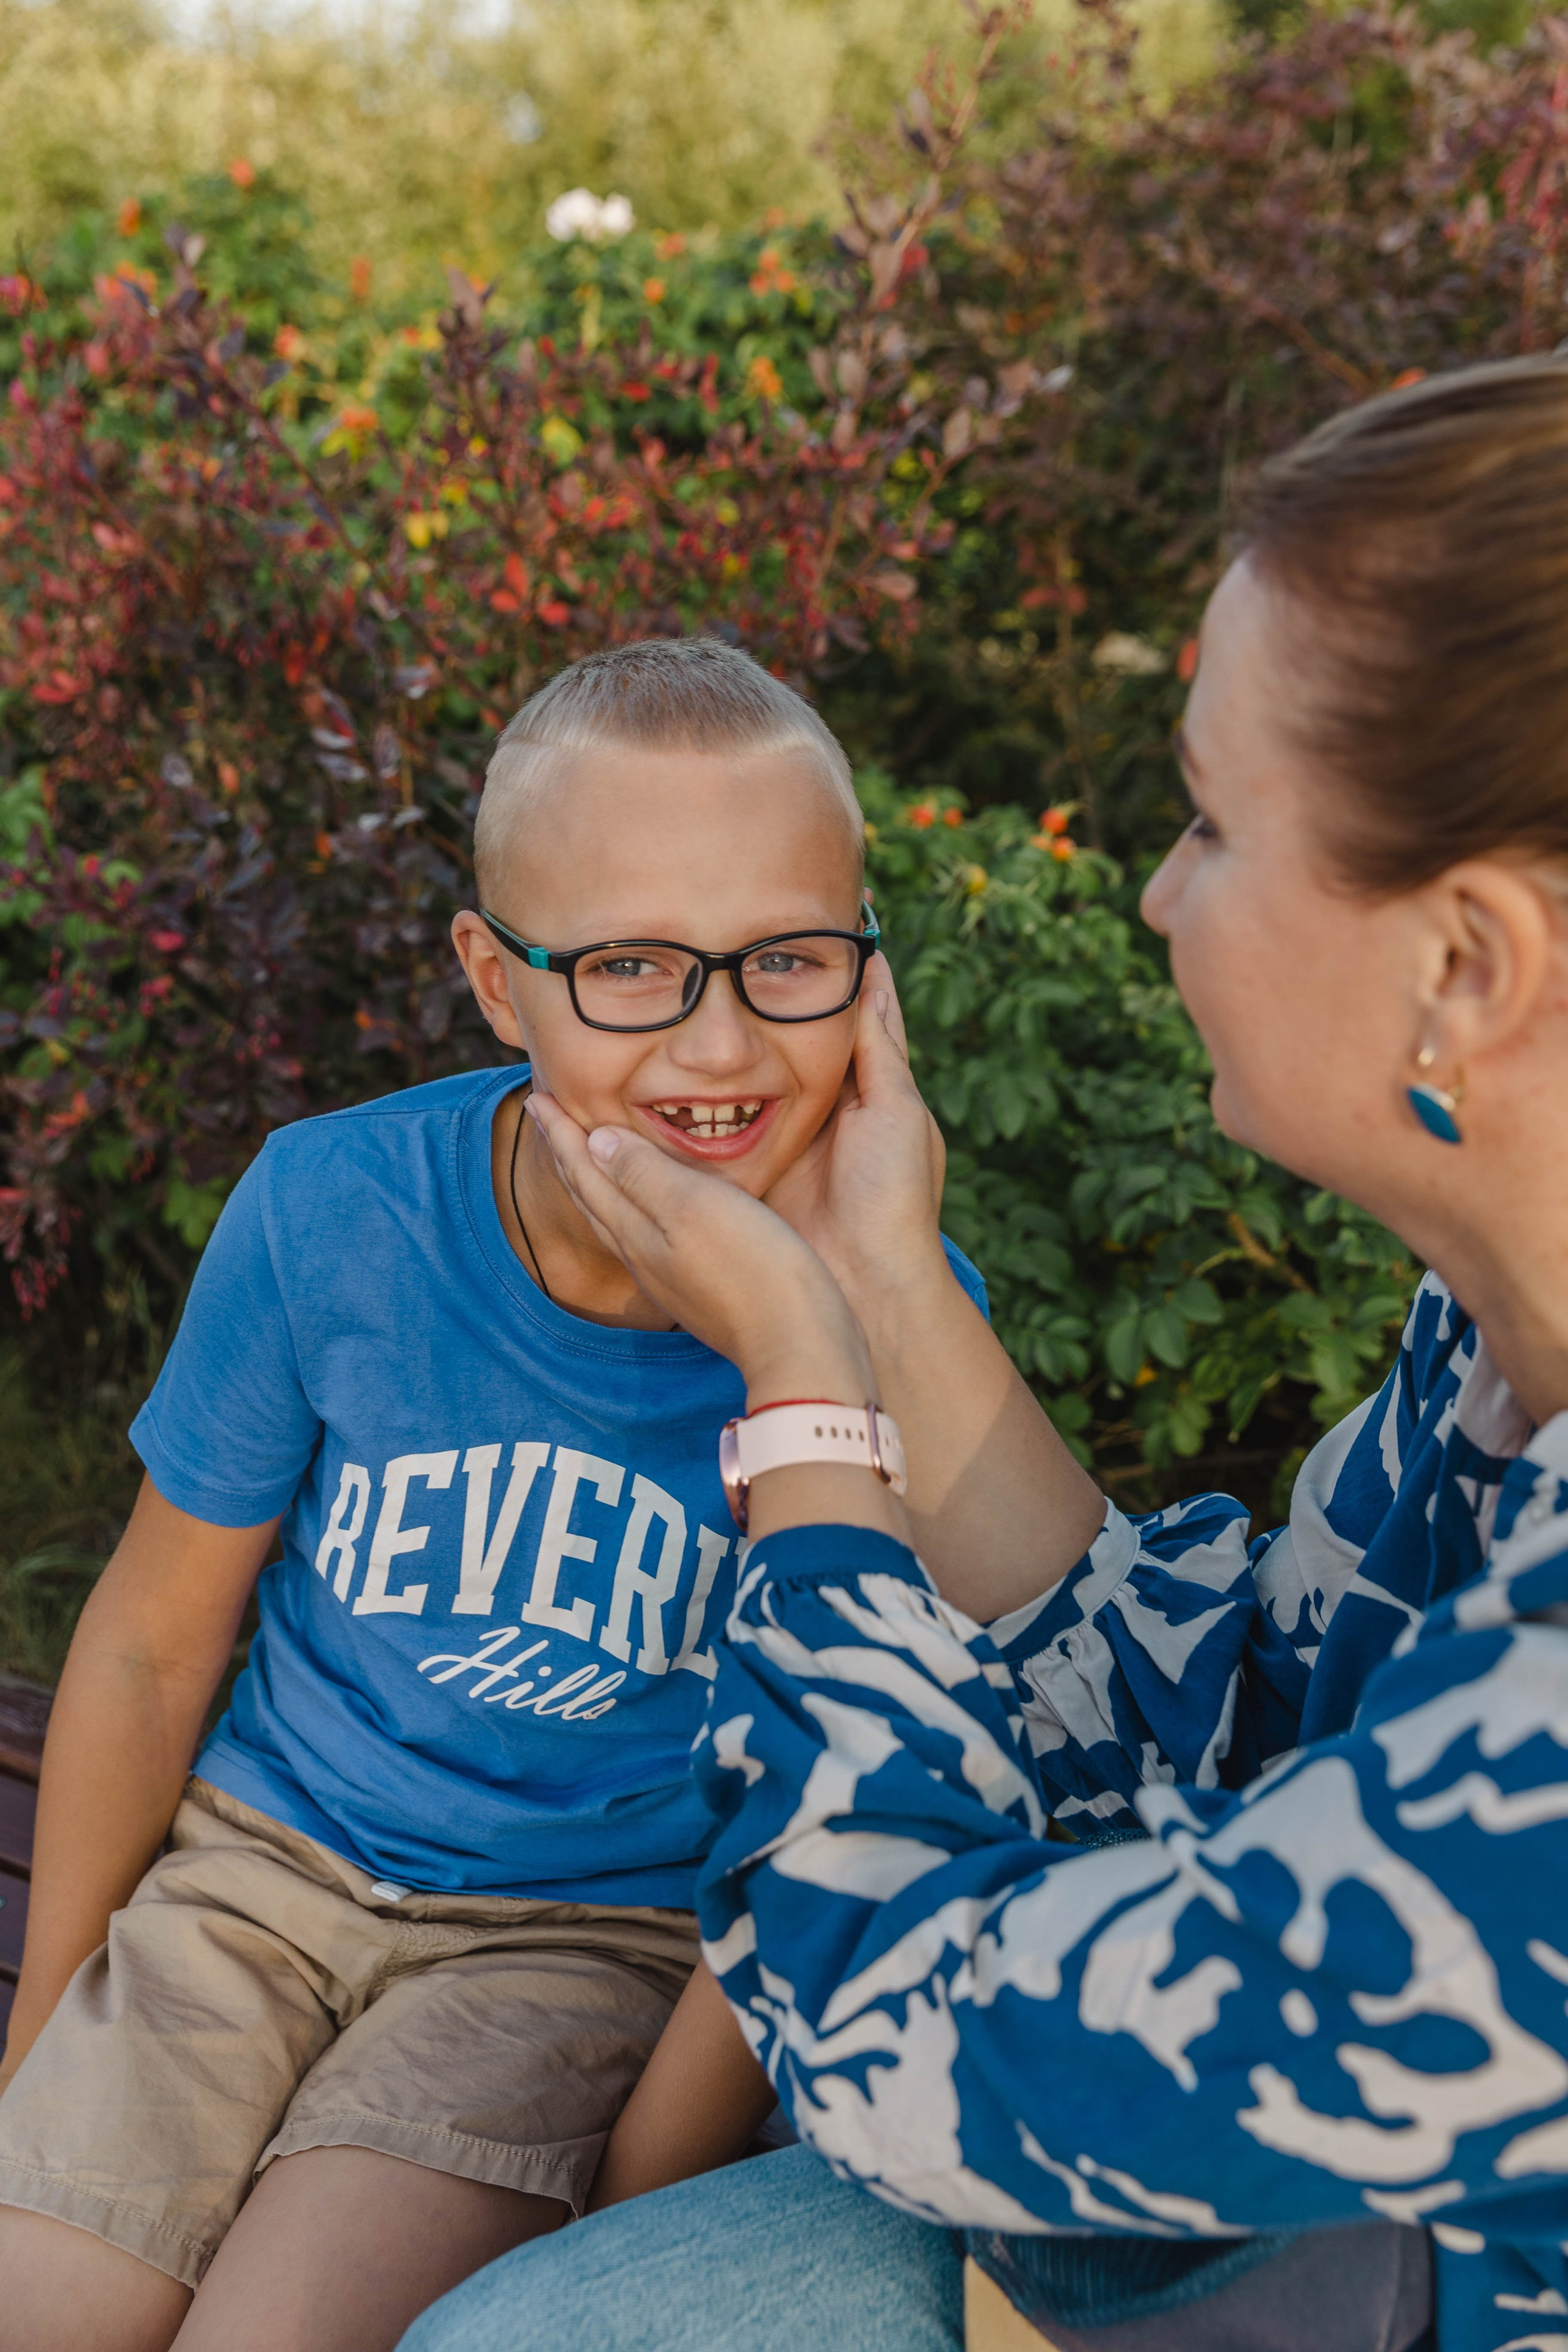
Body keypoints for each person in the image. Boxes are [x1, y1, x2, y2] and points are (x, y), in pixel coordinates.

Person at [397, 355, 1568, 2352]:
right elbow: (1230, 1733)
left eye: (1210, 822)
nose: (1159, 891)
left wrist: (807, 1399)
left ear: (1464, 964)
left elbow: (900, 2033)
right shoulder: (1496, 1348)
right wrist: (884, 1274)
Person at [0, 633, 989, 2352]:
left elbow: (828, 1807)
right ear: (495, 977)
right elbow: (156, 1647)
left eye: (789, 961)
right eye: (628, 966)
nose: (718, 1044)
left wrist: (635, 2200)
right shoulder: (335, 1211)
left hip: (577, 1952)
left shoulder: (897, 1330)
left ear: (869, 973)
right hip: (256, 1877)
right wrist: (41, 2055)